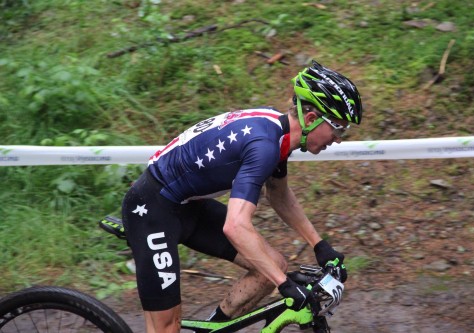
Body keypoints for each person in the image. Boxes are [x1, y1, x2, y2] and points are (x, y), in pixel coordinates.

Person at [122, 60, 363, 333]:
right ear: (310, 119)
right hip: (153, 209)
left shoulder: (278, 133)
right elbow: (236, 225)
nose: (339, 139)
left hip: (187, 206)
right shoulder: (264, 145)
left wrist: (319, 245)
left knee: (271, 267)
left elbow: (279, 194)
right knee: (167, 328)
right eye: (338, 128)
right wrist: (284, 284)